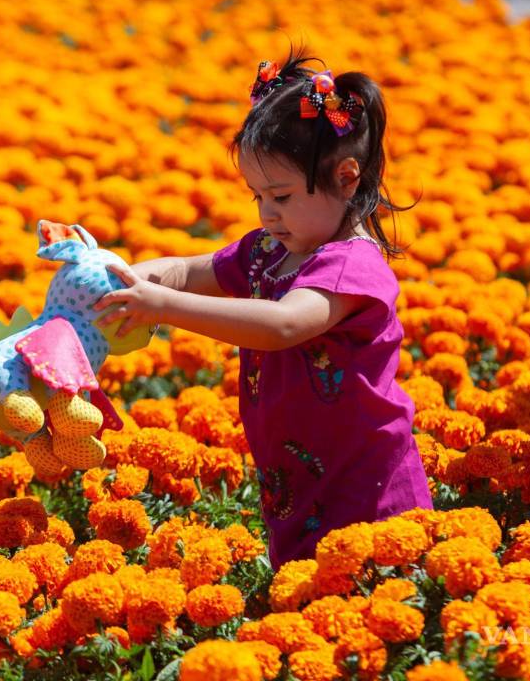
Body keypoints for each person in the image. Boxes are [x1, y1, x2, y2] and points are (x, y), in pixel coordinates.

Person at [93, 44, 434, 569]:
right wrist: (128, 277)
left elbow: (283, 324)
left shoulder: (350, 266)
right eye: (257, 196)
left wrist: (163, 305)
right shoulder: (270, 251)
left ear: (347, 179)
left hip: (368, 488)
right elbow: (189, 270)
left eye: (282, 196)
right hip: (297, 481)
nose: (267, 213)